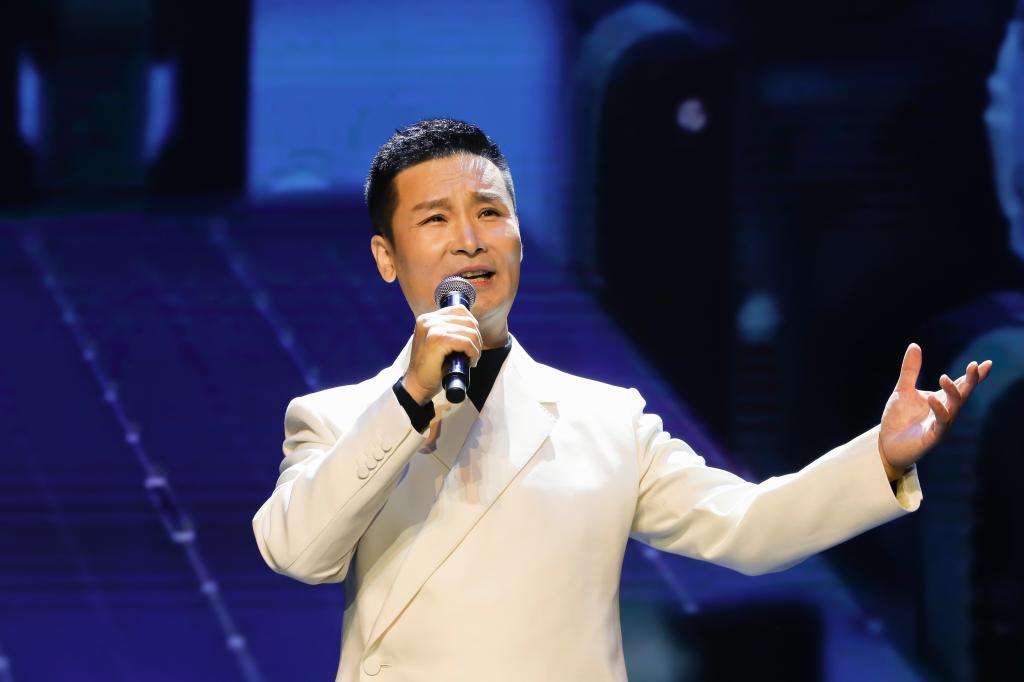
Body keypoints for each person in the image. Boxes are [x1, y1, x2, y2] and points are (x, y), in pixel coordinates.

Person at [251, 118, 992, 681]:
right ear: (387, 256)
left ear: (519, 236)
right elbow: (297, 552)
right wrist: (412, 396)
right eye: (436, 219)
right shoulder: (336, 419)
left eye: (490, 212)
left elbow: (749, 528)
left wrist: (880, 458)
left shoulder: (607, 420)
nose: (469, 240)